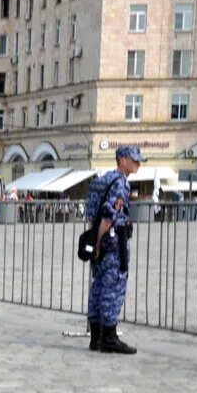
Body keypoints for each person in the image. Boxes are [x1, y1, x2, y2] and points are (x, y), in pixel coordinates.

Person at [84, 146, 141, 354]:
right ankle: (109, 337)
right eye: (134, 160)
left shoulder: (102, 180)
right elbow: (109, 216)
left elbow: (93, 212)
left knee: (98, 286)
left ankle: (96, 337)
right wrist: (99, 242)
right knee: (113, 287)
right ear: (122, 160)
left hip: (99, 238)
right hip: (112, 242)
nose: (138, 164)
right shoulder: (120, 184)